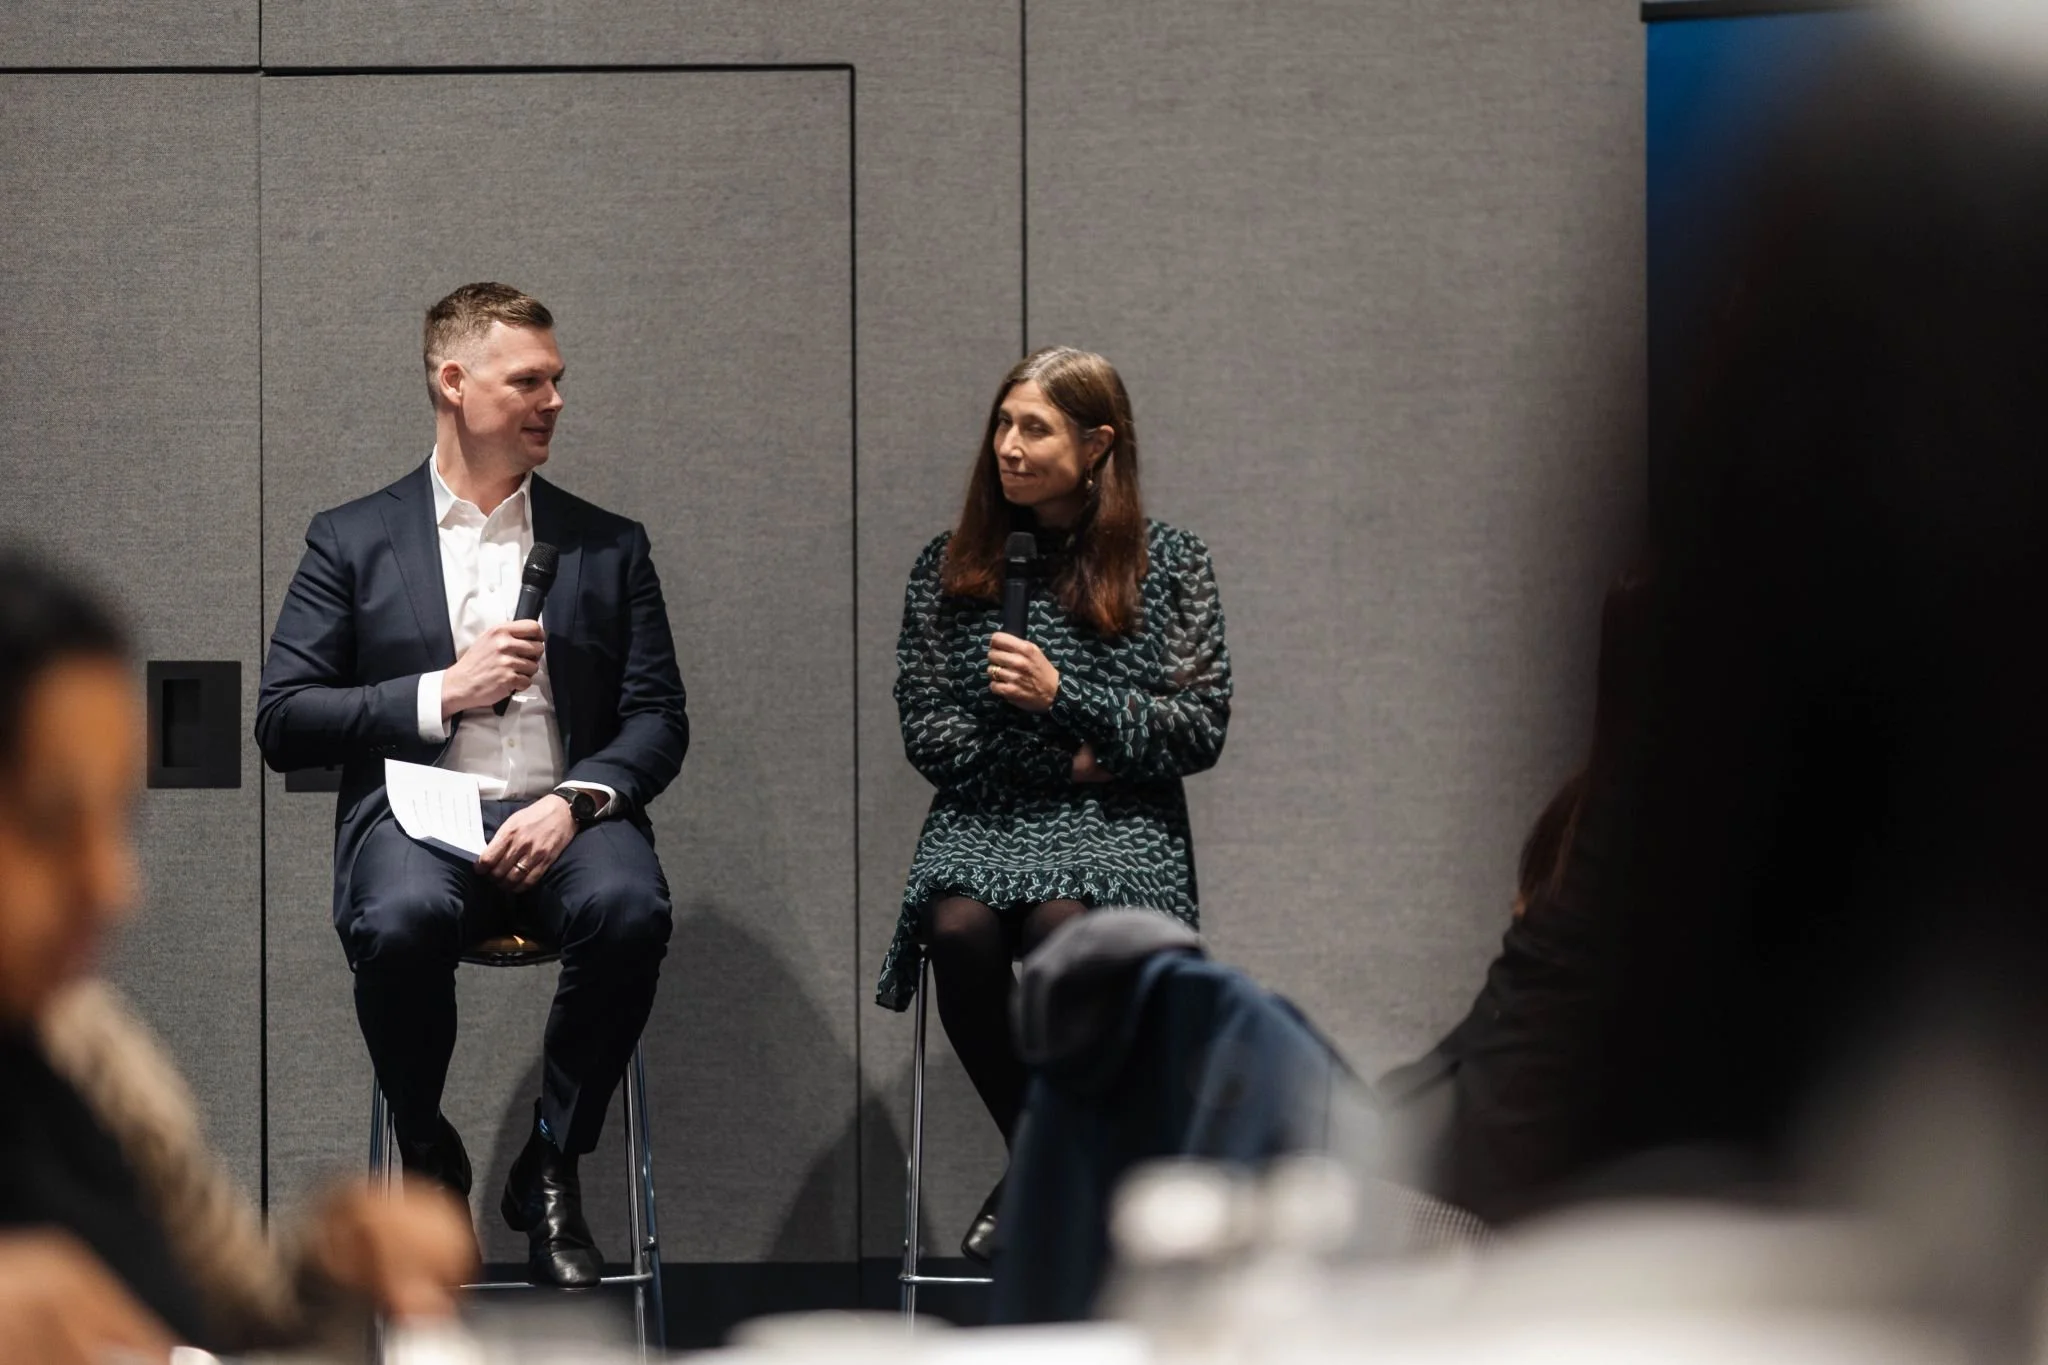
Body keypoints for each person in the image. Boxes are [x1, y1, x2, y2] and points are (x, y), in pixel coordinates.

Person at [256, 282, 689, 1288]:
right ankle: (423, 1143)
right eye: (527, 380)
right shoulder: (352, 538)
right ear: (452, 381)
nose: (553, 401)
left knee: (630, 907)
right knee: (399, 919)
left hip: (563, 812)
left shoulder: (605, 543)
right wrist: (439, 692)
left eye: (557, 381)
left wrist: (577, 800)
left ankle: (551, 1161)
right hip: (418, 818)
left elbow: (657, 719)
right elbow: (284, 718)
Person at [0, 549, 474, 1360]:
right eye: (51, 821)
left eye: (120, 819)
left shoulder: (89, 1048)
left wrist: (335, 1260)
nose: (114, 884)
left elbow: (247, 1321)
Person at [876, 347, 1233, 1261]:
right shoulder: (949, 567)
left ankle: (1045, 1167)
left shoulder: (1172, 563)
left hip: (1121, 831)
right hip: (986, 818)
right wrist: (1083, 761)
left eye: (1033, 427)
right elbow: (931, 733)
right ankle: (1049, 1151)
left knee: (1060, 924)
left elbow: (1194, 728)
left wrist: (1063, 696)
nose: (1008, 446)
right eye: (1002, 423)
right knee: (956, 929)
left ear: (1097, 442)